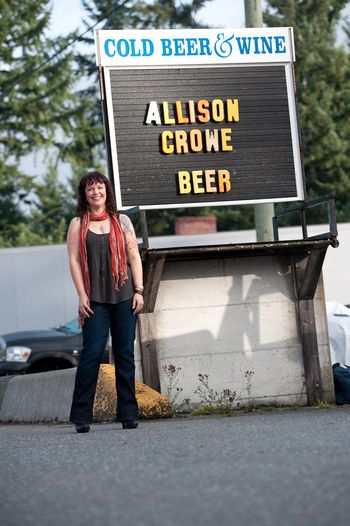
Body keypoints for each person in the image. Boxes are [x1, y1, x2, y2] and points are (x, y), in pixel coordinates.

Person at [67, 171, 144, 433]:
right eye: (90, 189)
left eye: (99, 187)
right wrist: (81, 295)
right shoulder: (78, 223)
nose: (95, 192)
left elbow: (134, 256)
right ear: (84, 194)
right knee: (91, 355)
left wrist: (139, 290)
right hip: (94, 300)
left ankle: (128, 413)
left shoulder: (122, 221)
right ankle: (81, 416)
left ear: (106, 191)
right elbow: (74, 261)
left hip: (124, 297)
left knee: (125, 355)